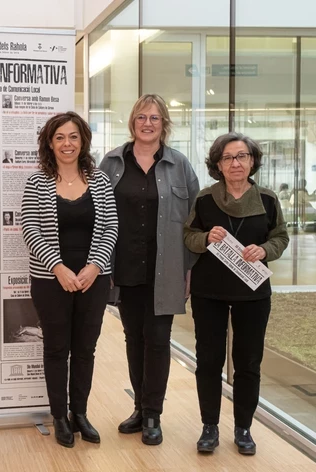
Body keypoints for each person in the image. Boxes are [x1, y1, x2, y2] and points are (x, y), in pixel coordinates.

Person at [98, 94, 199, 446]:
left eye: (155, 118)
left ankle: (153, 413)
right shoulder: (112, 162)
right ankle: (139, 408)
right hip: (123, 267)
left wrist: (189, 270)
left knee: (157, 339)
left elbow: (195, 222)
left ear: (163, 124)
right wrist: (103, 264)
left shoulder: (179, 165)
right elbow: (99, 216)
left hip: (165, 269)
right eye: (141, 117)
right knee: (133, 338)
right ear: (132, 122)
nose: (147, 123)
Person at [183, 132, 290, 456]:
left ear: (252, 160)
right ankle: (209, 426)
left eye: (242, 156)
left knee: (248, 363)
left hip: (253, 294)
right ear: (218, 165)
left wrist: (265, 250)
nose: (235, 163)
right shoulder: (204, 199)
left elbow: (281, 237)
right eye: (227, 158)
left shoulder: (268, 200)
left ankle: (244, 428)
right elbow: (188, 235)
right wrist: (206, 238)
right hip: (209, 292)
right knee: (208, 361)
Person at [21, 112, 118, 448]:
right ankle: (59, 416)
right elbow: (30, 229)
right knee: (56, 348)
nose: (67, 143)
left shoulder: (100, 181)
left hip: (94, 280)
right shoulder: (37, 182)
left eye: (73, 136)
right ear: (50, 143)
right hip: (51, 281)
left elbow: (111, 227)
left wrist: (95, 266)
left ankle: (80, 413)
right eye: (60, 137)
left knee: (86, 349)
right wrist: (57, 268)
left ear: (83, 141)